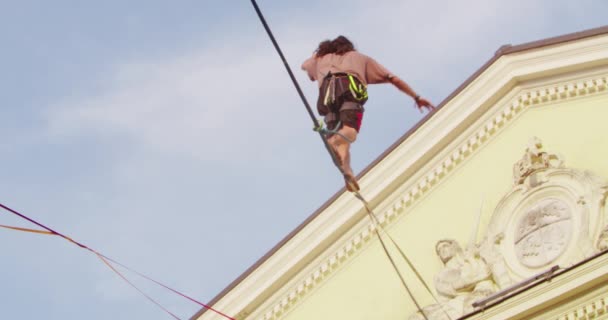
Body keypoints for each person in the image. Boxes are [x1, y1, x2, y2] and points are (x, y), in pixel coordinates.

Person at [301, 36, 435, 192]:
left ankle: (347, 170)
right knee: (349, 132)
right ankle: (333, 142)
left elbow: (305, 66)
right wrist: (416, 97)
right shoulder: (360, 58)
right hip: (349, 88)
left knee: (343, 143)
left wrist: (316, 54)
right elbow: (392, 78)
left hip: (326, 95)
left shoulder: (321, 58)